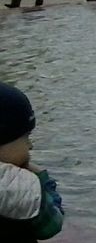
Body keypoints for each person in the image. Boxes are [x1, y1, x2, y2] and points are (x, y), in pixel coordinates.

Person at [0, 81, 65, 241]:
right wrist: (42, 180)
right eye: (25, 137)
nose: (30, 145)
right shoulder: (17, 185)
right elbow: (51, 225)